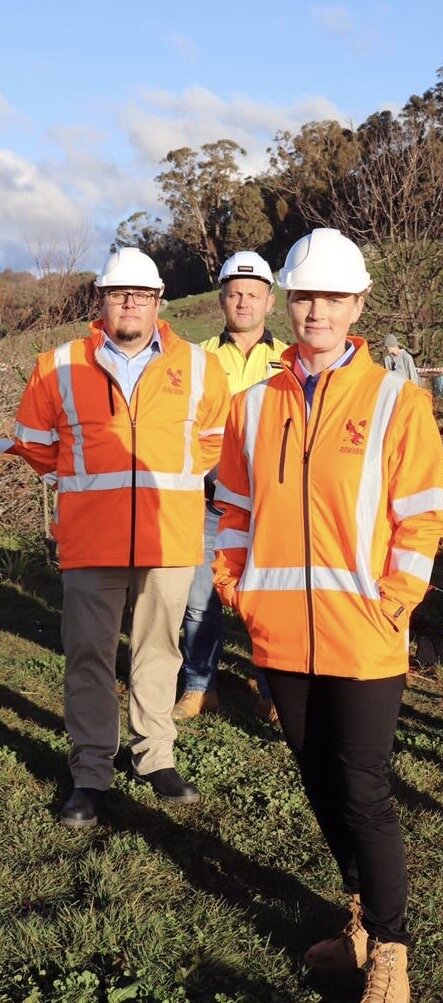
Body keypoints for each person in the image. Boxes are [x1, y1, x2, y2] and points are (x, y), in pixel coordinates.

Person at [212, 228, 443, 1002]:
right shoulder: (252, 406)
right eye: (305, 294)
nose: (316, 309)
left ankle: (391, 945)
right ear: (290, 299)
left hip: (366, 634)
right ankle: (360, 910)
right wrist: (235, 583)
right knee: (317, 780)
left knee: (365, 787)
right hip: (280, 634)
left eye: (332, 297)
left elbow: (422, 515)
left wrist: (396, 599)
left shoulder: (395, 400)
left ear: (358, 304)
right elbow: (235, 509)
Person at [10, 247, 230, 827]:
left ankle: (155, 756)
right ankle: (90, 771)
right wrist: (81, 483)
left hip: (170, 539)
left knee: (160, 652)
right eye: (117, 293)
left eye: (140, 294)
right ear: (101, 301)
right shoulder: (56, 364)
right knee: (88, 654)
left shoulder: (202, 367)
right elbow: (32, 441)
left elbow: (214, 443)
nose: (129, 302)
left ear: (159, 301)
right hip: (90, 541)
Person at [173, 251, 287, 723]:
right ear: (221, 299)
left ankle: (271, 689)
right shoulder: (195, 359)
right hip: (209, 502)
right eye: (235, 293)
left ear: (271, 301)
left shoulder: (290, 360)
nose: (243, 302)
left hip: (272, 503)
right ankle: (199, 687)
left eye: (253, 294)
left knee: (270, 599)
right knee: (198, 601)